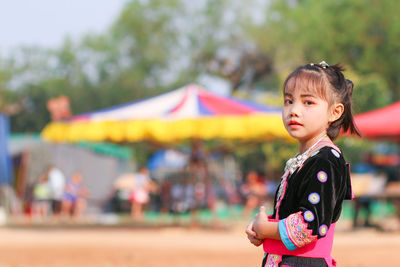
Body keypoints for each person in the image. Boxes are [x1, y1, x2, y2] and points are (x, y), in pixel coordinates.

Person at [245, 61, 359, 267]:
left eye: (308, 102)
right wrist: (262, 228)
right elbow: (294, 211)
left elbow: (310, 223)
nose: (294, 110)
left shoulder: (326, 160)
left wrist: (267, 229)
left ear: (335, 112)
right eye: (288, 101)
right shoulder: (306, 158)